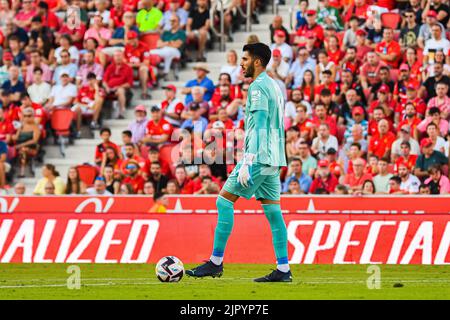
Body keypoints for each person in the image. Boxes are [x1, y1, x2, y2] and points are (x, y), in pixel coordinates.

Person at [186, 43, 292, 282]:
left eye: (244, 59)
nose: (241, 63)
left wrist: (248, 160)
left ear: (256, 62)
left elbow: (262, 123)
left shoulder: (257, 87)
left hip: (259, 156)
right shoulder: (274, 86)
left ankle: (215, 262)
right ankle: (283, 269)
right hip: (274, 158)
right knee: (274, 212)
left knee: (223, 201)